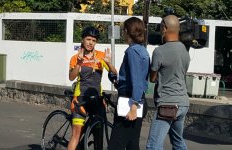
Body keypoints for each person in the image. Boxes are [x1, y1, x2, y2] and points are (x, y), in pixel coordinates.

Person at [67, 26, 117, 150]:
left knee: (98, 134)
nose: (90, 43)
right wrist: (79, 63)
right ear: (83, 40)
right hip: (80, 99)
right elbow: (71, 77)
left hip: (96, 99)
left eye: (93, 40)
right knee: (76, 135)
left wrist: (109, 62)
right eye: (88, 39)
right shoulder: (75, 57)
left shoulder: (100, 56)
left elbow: (114, 72)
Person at [146, 15, 190, 150]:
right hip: (183, 102)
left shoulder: (159, 51)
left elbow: (152, 78)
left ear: (164, 28)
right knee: (177, 142)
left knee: (153, 146)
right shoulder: (184, 50)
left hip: (168, 104)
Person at [108, 17, 150, 150]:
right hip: (137, 99)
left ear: (127, 31)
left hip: (130, 101)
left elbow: (137, 80)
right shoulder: (143, 50)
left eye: (123, 30)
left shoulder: (132, 51)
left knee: (116, 144)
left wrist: (133, 106)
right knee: (132, 144)